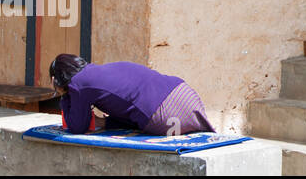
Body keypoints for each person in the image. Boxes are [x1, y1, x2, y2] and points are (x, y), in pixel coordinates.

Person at [49, 54, 215, 137]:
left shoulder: (77, 84)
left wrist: (63, 95)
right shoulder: (97, 72)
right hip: (185, 94)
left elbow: (77, 128)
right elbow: (129, 103)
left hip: (167, 115)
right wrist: (106, 122)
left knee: (143, 115)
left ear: (57, 79)